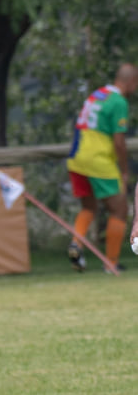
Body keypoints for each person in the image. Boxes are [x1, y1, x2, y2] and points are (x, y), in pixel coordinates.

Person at [64, 63, 136, 273]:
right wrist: (124, 170)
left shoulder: (97, 94)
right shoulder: (119, 101)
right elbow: (119, 142)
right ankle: (110, 263)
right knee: (119, 209)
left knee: (88, 207)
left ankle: (76, 244)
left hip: (77, 157)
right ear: (131, 82)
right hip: (99, 160)